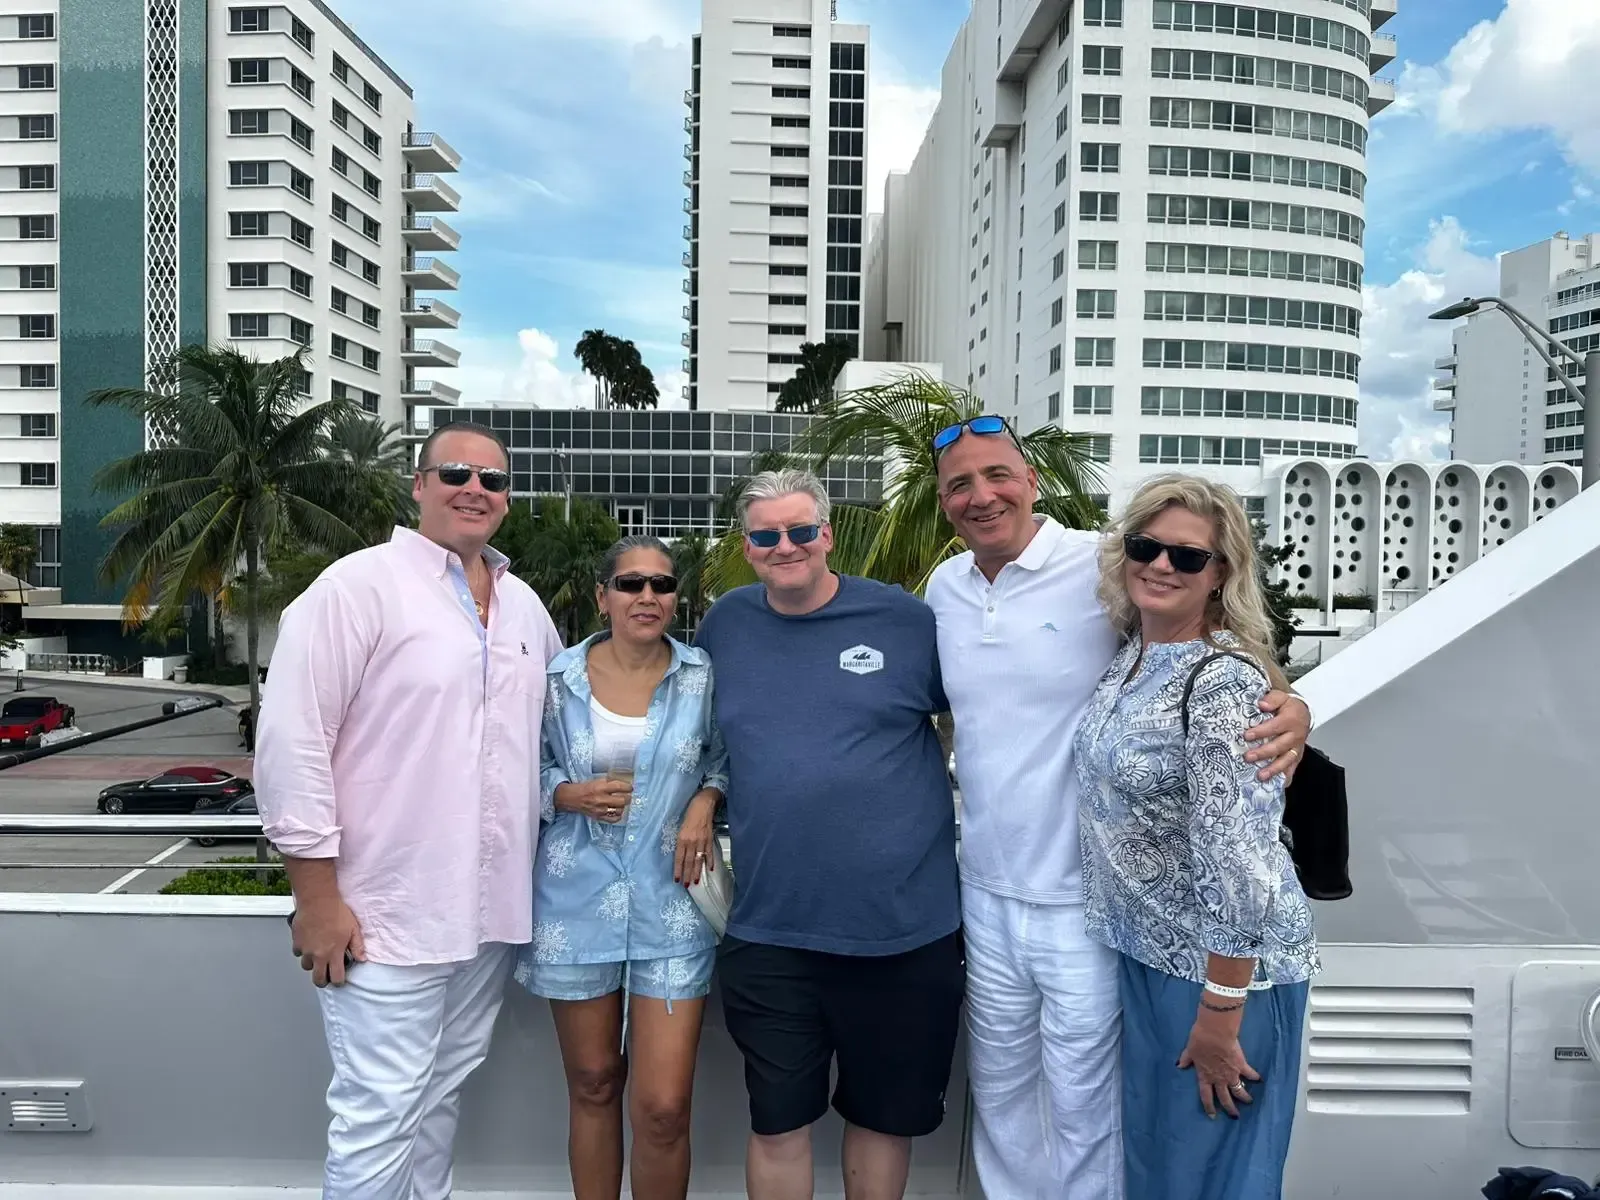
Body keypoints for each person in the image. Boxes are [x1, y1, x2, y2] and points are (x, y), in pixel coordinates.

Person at [925, 417, 1310, 1199]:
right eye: (960, 484)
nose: (982, 496)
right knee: (1001, 1100)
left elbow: (1225, 667)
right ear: (943, 502)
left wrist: (1294, 707)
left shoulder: (1093, 563)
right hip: (989, 894)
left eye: (998, 474)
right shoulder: (946, 590)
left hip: (1089, 910)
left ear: (1031, 481)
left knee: (1091, 1112)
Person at [255, 421, 563, 1200]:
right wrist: (316, 899)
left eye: (493, 480)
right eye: (456, 472)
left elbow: (553, 738)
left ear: (507, 499)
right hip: (382, 914)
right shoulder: (356, 588)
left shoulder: (525, 608)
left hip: (489, 918)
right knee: (379, 1113)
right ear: (419, 484)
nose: (475, 489)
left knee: (437, 1098)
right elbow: (293, 745)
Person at [693, 469, 964, 1200]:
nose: (786, 547)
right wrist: (706, 795)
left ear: (828, 535)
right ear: (747, 546)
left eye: (801, 531)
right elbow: (700, 738)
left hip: (904, 931)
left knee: (883, 1121)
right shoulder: (726, 625)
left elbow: (998, 709)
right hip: (773, 929)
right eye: (766, 535)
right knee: (777, 1124)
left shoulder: (905, 622)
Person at [1073, 474, 1318, 1199]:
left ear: (1220, 576)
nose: (1161, 566)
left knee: (1213, 1177)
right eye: (1147, 546)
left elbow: (1239, 860)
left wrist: (1219, 1011)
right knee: (1162, 1171)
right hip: (1153, 956)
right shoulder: (1135, 655)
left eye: (1187, 557)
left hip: (1224, 972)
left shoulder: (1222, 681)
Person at [515, 534, 726, 1200]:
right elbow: (510, 764)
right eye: (631, 584)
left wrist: (706, 800)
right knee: (596, 1082)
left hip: (673, 901)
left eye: (661, 584)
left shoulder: (702, 678)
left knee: (664, 1106)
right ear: (603, 595)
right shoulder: (554, 680)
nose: (647, 596)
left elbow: (725, 758)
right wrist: (562, 793)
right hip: (574, 902)